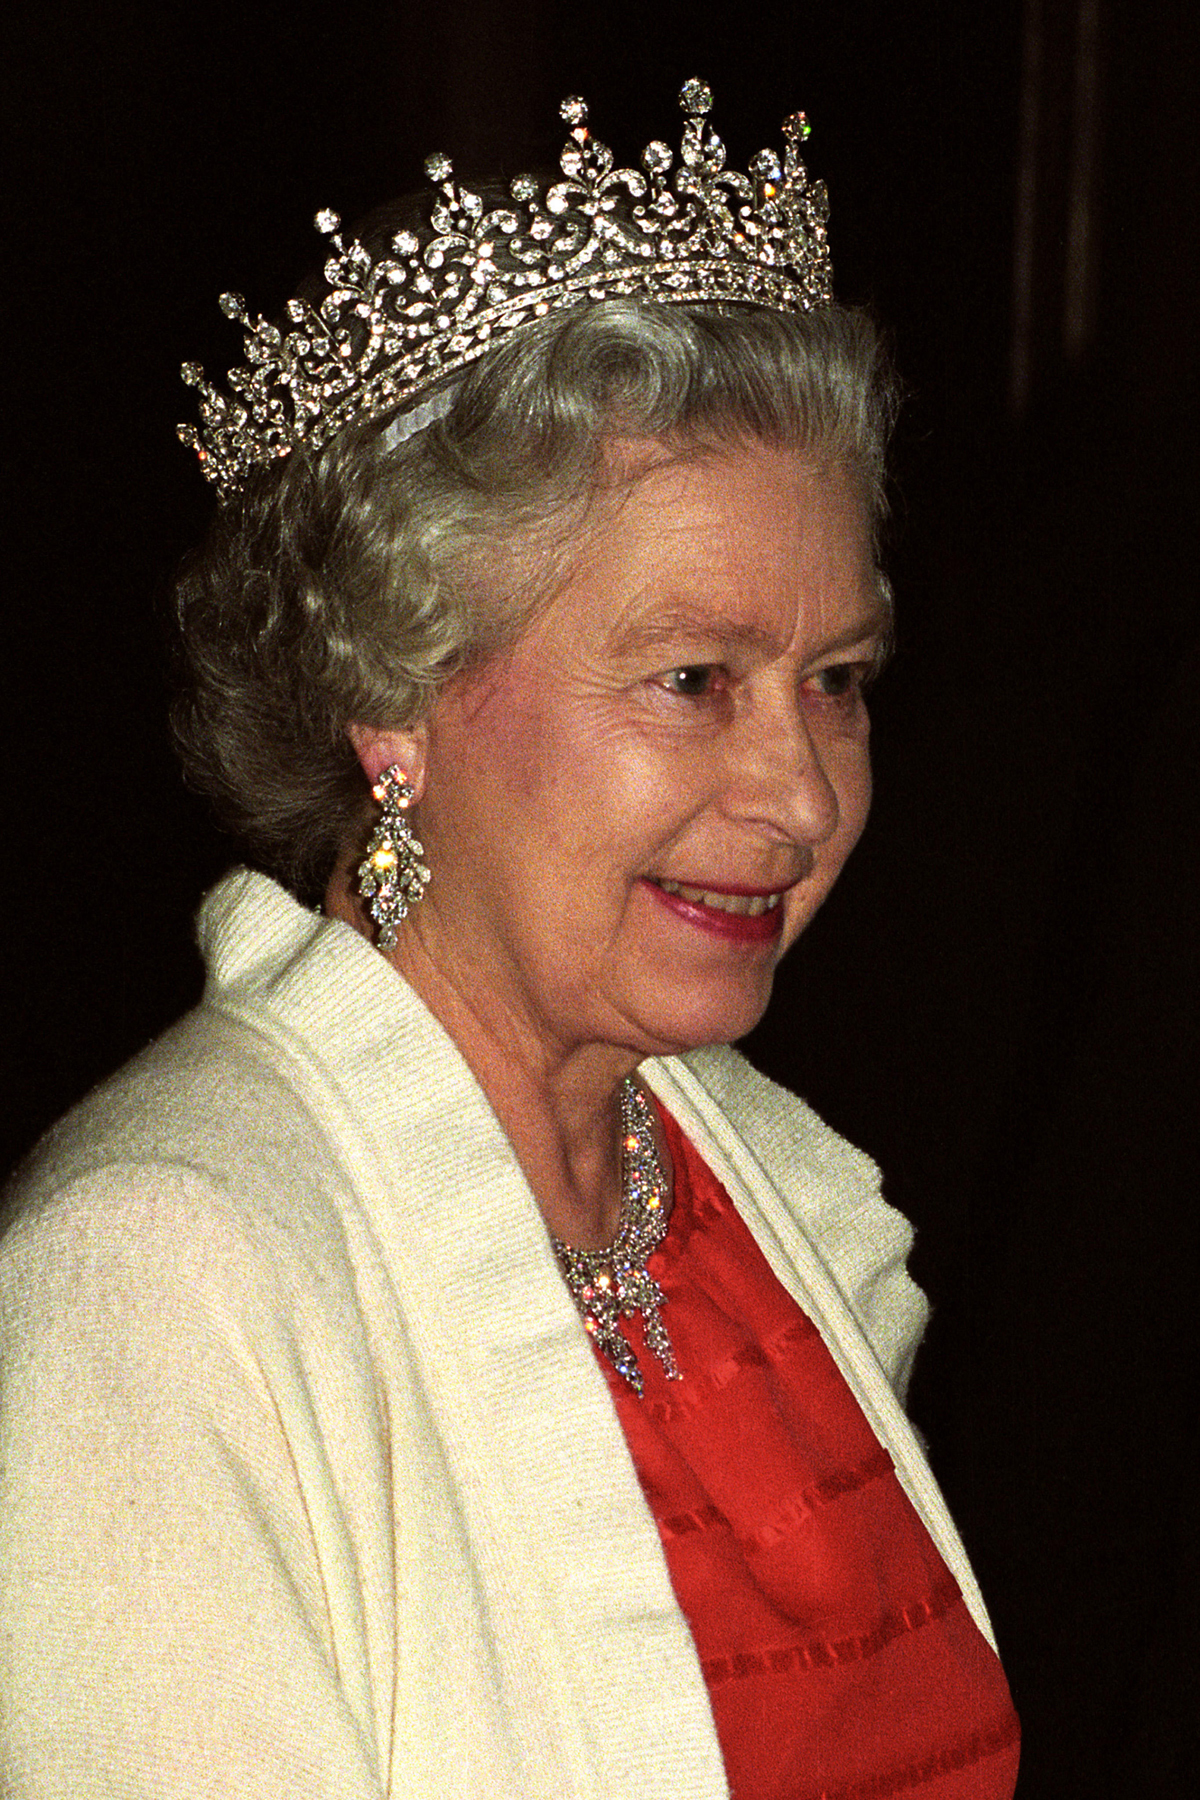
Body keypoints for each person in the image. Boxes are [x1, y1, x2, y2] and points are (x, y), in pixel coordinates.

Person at [0, 81, 1019, 1799]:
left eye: (837, 683)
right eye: (692, 680)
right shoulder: (163, 1274)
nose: (801, 794)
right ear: (391, 694)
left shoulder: (758, 1193)